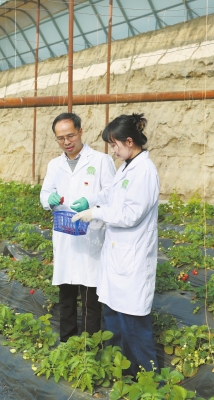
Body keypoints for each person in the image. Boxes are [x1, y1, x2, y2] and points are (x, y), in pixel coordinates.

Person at [73, 113, 159, 377]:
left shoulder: (145, 171)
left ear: (129, 141)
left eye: (114, 145)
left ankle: (147, 380)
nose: (112, 150)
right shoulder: (126, 167)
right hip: (117, 257)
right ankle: (123, 375)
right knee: (114, 319)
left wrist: (96, 213)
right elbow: (110, 192)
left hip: (132, 259)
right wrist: (90, 201)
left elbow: (131, 214)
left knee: (133, 325)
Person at [40, 112, 116, 343]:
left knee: (91, 297)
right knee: (66, 296)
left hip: (91, 235)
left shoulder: (101, 161)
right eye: (61, 138)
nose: (66, 142)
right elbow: (45, 193)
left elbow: (112, 195)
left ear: (81, 131)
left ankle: (90, 347)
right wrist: (49, 199)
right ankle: (67, 343)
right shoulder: (55, 165)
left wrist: (90, 202)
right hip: (65, 236)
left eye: (70, 136)